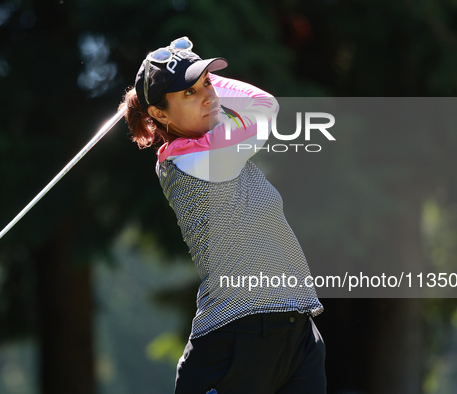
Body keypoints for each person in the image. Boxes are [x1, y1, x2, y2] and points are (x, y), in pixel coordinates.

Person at [119, 36, 326, 394]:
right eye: (189, 93)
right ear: (159, 114)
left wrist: (188, 68)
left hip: (297, 336)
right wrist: (191, 69)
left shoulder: (212, 143)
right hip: (234, 342)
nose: (208, 97)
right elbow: (263, 106)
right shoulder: (193, 158)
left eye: (208, 84)